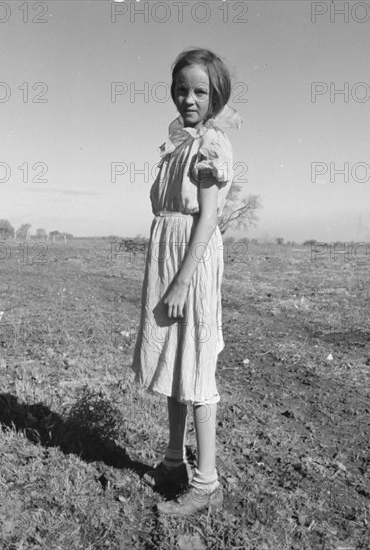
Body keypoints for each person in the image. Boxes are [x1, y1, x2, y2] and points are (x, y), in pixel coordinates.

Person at [130, 48, 242, 516]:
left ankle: (207, 483)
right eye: (181, 89)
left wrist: (181, 281)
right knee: (174, 360)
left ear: (215, 95)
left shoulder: (211, 146)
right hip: (167, 254)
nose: (188, 98)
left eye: (199, 91)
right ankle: (174, 460)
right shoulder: (178, 144)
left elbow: (208, 217)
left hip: (190, 261)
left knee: (195, 363)